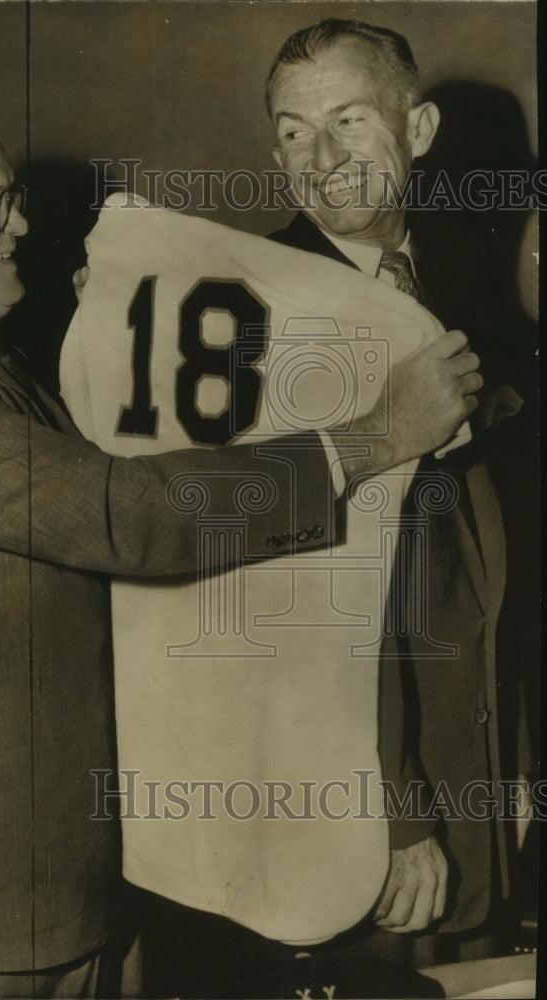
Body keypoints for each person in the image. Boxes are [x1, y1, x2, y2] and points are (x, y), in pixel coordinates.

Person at [0, 95, 480, 998]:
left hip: (63, 865)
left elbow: (88, 480)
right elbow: (122, 514)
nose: (23, 222)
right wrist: (370, 439)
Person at [265, 12, 527, 962]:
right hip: (368, 802)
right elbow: (306, 614)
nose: (318, 157)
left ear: (415, 133)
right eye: (292, 131)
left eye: (347, 122)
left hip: (480, 762)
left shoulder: (456, 284)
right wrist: (396, 809)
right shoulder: (267, 314)